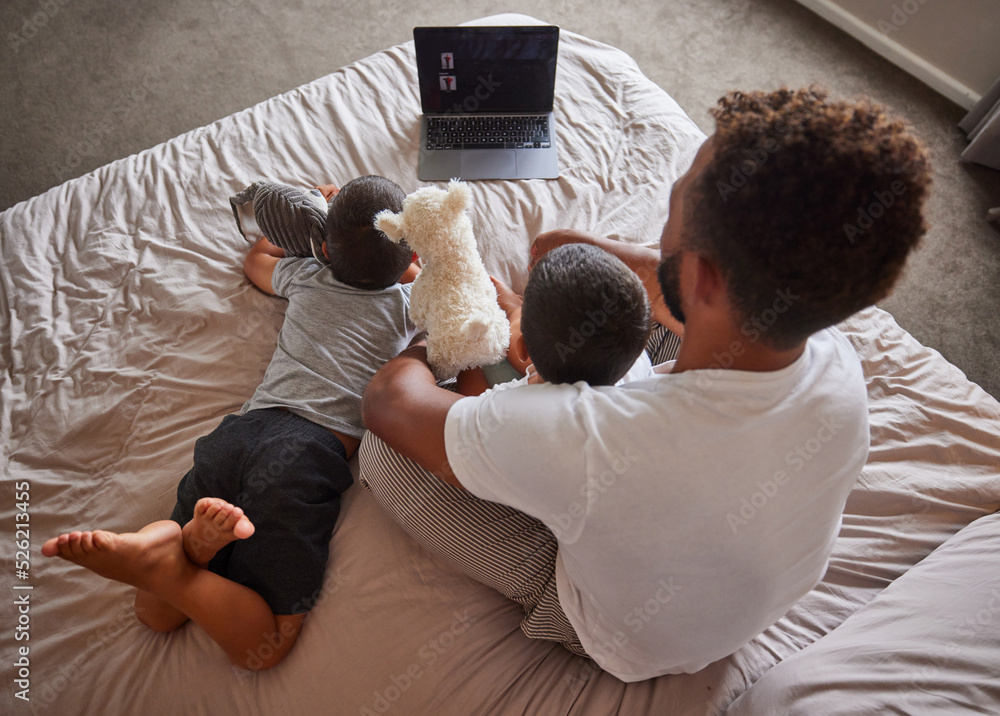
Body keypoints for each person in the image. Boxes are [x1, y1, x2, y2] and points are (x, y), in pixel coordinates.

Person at [357, 88, 931, 681]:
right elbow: (632, 276)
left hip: (617, 631)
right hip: (722, 575)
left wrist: (456, 317)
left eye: (679, 193)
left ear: (702, 276)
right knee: (603, 311)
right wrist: (573, 262)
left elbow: (389, 403)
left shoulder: (593, 438)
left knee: (386, 456)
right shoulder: (834, 357)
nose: (670, 202)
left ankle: (505, 471)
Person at [43, 174, 422, 670]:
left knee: (155, 617)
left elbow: (256, 261)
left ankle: (178, 551)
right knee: (266, 644)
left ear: (323, 247)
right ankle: (178, 574)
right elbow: (457, 293)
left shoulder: (307, 274)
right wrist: (411, 264)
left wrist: (308, 224)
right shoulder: (410, 304)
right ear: (411, 257)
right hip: (302, 457)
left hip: (240, 434)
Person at [457, 242, 654, 396]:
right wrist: (515, 310)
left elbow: (466, 409)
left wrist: (468, 354)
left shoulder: (512, 406)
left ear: (524, 348)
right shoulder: (635, 363)